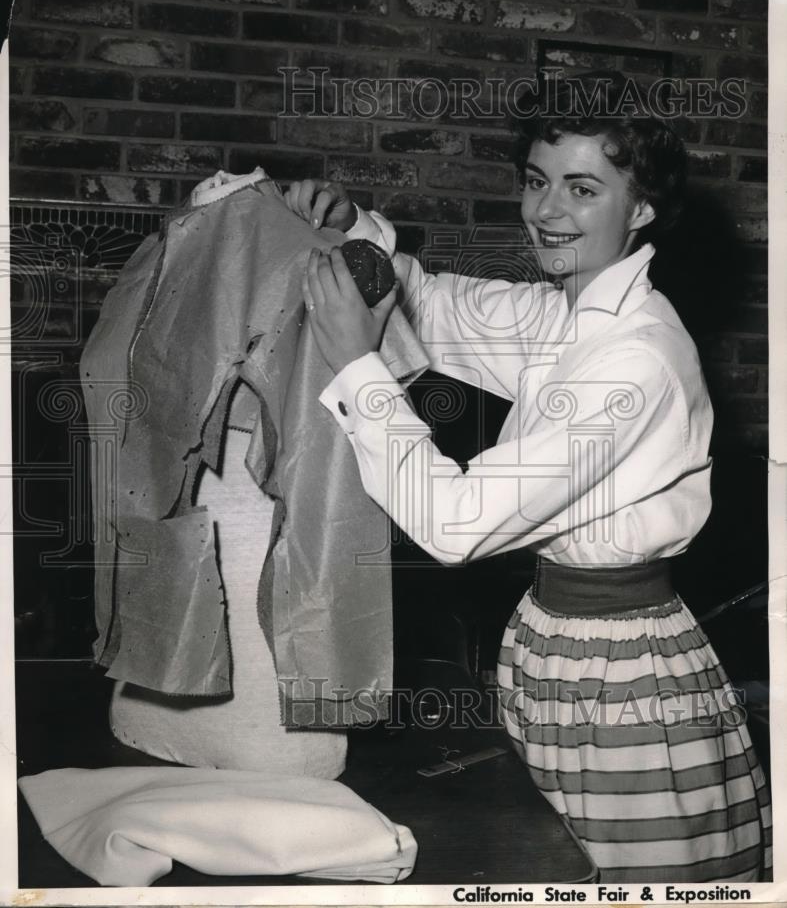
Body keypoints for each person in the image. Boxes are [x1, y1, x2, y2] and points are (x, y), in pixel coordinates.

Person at [284, 72, 772, 882]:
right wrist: (354, 231)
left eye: (582, 190)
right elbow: (433, 305)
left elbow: (454, 525)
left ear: (640, 207)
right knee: (554, 860)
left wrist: (355, 367)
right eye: (536, 182)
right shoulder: (571, 313)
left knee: (643, 884)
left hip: (627, 680)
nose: (545, 212)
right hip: (554, 645)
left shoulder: (634, 356)